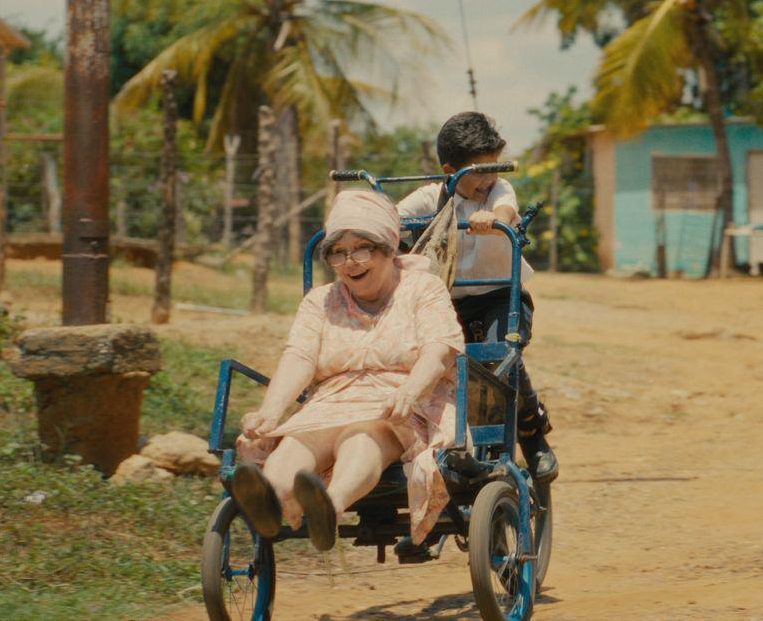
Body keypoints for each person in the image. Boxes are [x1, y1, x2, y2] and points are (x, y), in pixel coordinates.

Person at [229, 190, 464, 551]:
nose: (350, 261)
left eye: (362, 248)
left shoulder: (422, 288)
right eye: (339, 252)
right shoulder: (320, 301)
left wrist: (410, 391)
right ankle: (269, 499)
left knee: (361, 436)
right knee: (300, 438)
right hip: (331, 401)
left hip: (398, 401)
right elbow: (299, 357)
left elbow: (439, 351)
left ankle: (330, 506)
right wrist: (270, 412)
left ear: (389, 247)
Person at [397, 112, 557, 481]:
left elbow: (505, 207)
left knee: (501, 354)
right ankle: (450, 444)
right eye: (479, 172)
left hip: (500, 294)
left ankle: (532, 434)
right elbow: (393, 217)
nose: (488, 179)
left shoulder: (498, 191)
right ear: (450, 170)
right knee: (438, 365)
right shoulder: (431, 198)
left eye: (494, 169)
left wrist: (492, 217)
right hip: (447, 301)